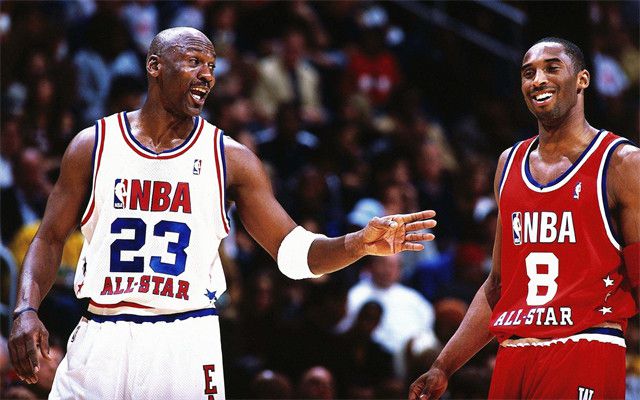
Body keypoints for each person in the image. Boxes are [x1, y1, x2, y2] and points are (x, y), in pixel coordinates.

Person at [7, 27, 437, 399]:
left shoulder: (231, 158)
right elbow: (48, 237)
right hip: (101, 327)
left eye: (212, 66)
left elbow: (294, 253)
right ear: (154, 67)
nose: (207, 75)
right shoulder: (93, 144)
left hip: (184, 337)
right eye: (194, 61)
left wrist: (357, 243)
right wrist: (26, 309)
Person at [410, 37, 639, 400]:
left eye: (552, 68)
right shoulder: (508, 163)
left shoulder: (622, 163)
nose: (538, 80)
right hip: (514, 353)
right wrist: (444, 365)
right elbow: (498, 285)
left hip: (584, 347)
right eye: (528, 72)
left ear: (582, 80)